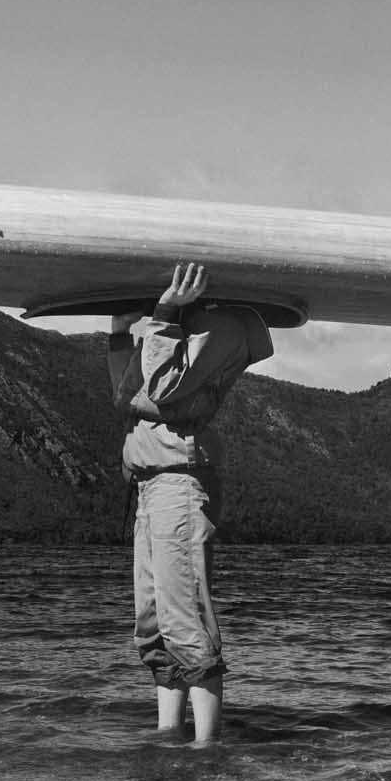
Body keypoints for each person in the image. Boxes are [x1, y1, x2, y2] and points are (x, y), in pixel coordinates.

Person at [109, 262, 274, 745]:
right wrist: (120, 336)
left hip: (178, 484)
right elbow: (128, 397)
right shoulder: (175, 329)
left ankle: (206, 750)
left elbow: (160, 387)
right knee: (153, 620)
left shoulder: (218, 328)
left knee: (184, 615)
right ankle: (168, 734)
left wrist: (164, 312)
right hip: (149, 484)